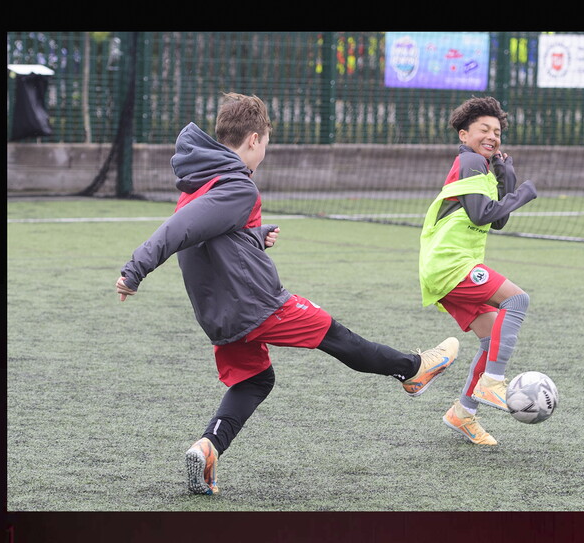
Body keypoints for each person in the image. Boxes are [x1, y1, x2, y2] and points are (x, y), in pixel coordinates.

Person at [115, 92, 459, 495]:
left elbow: (211, 234)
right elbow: (180, 230)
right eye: (266, 144)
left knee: (255, 380)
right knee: (337, 336)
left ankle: (207, 448)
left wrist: (254, 236)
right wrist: (135, 269)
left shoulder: (201, 180)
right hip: (257, 303)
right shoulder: (237, 186)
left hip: (220, 315)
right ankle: (413, 368)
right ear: (255, 139)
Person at [418, 96, 537, 446]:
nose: (492, 136)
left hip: (455, 265)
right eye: (484, 129)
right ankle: (493, 382)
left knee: (490, 338)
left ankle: (463, 413)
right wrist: (523, 194)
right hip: (450, 264)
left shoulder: (481, 167)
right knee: (518, 300)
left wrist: (507, 177)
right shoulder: (469, 159)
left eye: (497, 131)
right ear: (464, 134)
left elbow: (497, 219)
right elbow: (481, 214)